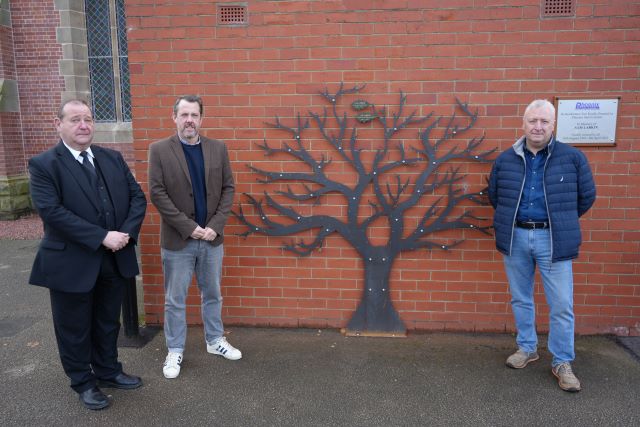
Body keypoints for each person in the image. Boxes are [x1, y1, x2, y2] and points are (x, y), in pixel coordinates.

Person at [29, 99, 147, 409]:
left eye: (88, 119)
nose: (84, 125)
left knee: (108, 322)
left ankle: (108, 371)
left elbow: (137, 198)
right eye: (75, 119)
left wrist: (125, 234)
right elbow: (52, 212)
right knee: (74, 328)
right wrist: (102, 237)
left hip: (114, 257)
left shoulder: (112, 158)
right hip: (71, 261)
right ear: (59, 125)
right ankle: (83, 382)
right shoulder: (44, 165)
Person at [488, 99, 596, 392]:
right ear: (523, 124)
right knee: (521, 298)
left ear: (553, 125)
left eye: (544, 122)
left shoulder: (572, 158)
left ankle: (562, 361)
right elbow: (496, 196)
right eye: (532, 121)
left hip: (553, 238)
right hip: (517, 237)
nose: (538, 127)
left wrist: (559, 221)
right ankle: (527, 348)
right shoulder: (505, 159)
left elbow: (586, 197)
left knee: (561, 304)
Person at [148, 95, 240, 379]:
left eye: (195, 115)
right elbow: (157, 193)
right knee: (175, 299)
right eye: (184, 114)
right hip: (179, 240)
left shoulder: (218, 148)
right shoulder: (160, 150)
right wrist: (189, 227)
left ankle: (214, 341)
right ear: (173, 117)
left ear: (202, 118)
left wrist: (216, 224)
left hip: (212, 238)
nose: (189, 120)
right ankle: (175, 349)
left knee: (212, 293)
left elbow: (228, 188)